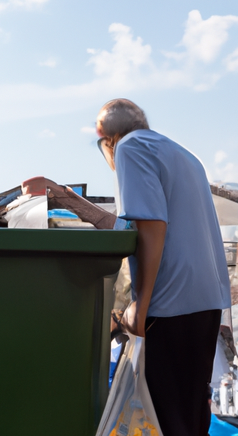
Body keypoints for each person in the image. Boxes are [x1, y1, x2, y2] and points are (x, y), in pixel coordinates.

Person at [96, 98, 231, 436]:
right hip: (206, 303)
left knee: (166, 419)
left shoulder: (130, 147)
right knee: (190, 415)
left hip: (169, 304)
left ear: (108, 139)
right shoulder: (183, 156)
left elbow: (152, 225)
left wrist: (141, 304)